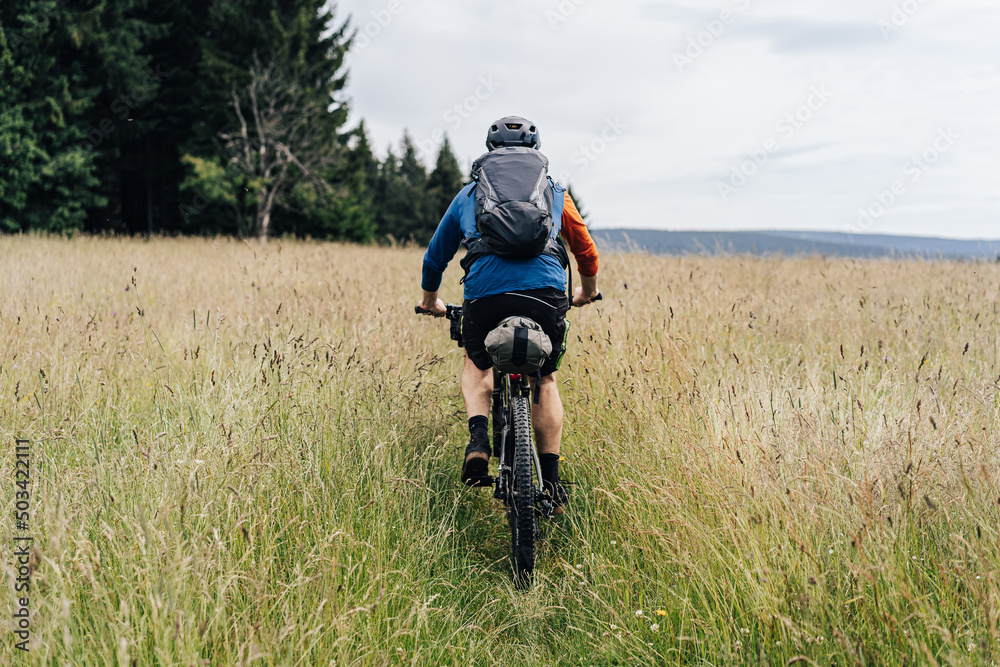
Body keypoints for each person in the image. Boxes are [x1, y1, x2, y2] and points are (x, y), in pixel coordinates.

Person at [416, 115, 600, 514]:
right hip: (546, 291)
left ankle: (479, 441)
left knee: (476, 360)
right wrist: (587, 291)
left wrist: (431, 300)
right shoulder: (553, 192)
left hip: (486, 293)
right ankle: (550, 484)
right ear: (534, 152)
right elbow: (585, 249)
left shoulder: (469, 195)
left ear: (490, 151)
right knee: (545, 378)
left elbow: (436, 256)